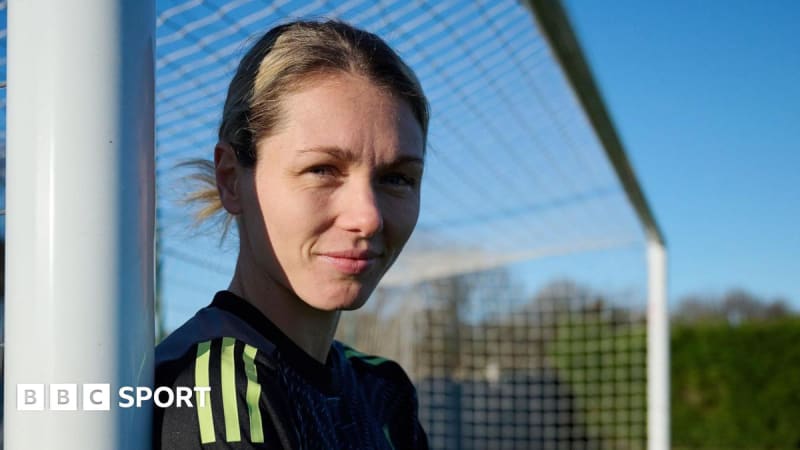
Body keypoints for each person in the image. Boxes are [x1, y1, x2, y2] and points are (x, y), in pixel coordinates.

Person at [152, 20, 429, 449]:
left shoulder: (382, 388)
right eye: (321, 170)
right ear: (230, 179)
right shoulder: (211, 390)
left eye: (396, 178)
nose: (369, 217)